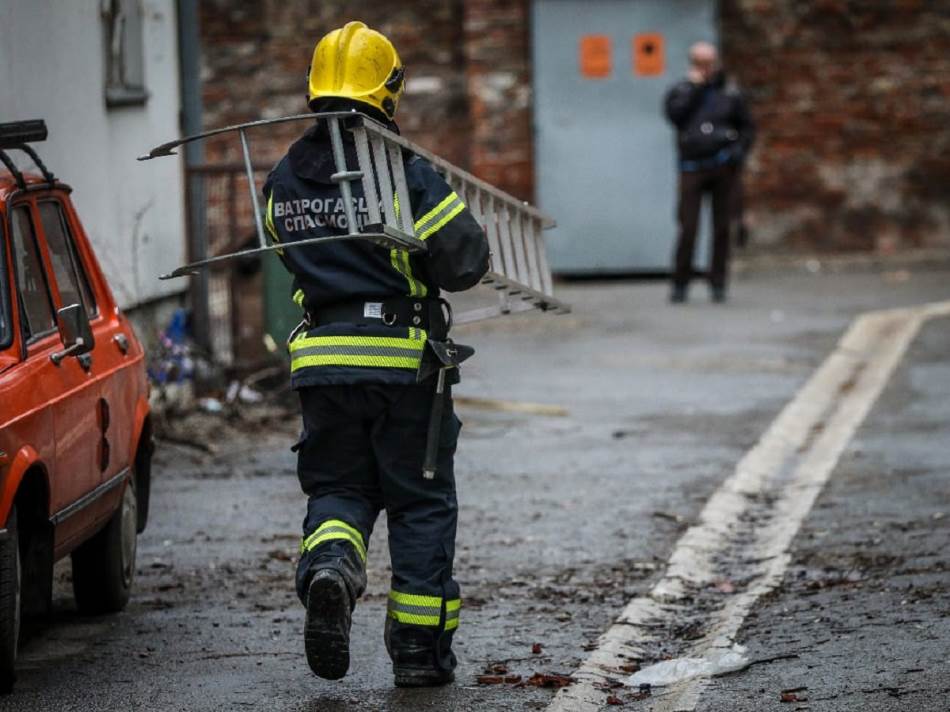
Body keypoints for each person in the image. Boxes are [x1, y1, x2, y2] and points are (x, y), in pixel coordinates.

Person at [262, 21, 490, 687]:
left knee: (338, 487)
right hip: (401, 362)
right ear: (386, 93)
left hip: (322, 363)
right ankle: (419, 654)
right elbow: (466, 260)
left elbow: (284, 252)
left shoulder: (283, 175)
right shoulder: (403, 172)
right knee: (419, 502)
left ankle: (331, 568)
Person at [664, 42, 754, 303]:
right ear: (692, 63)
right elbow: (675, 116)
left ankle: (718, 283)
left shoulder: (730, 93)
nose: (706, 68)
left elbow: (748, 127)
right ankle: (680, 284)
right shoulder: (681, 90)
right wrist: (694, 88)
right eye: (700, 63)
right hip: (691, 168)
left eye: (710, 62)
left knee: (722, 228)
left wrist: (738, 151)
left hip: (723, 167)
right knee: (688, 227)